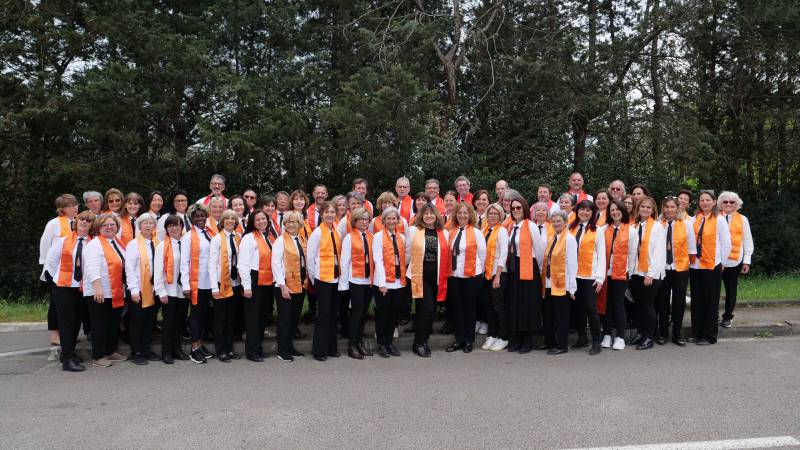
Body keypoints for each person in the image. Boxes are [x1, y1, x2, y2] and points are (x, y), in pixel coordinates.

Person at [43, 210, 95, 371]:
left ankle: (69, 353)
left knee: (76, 323)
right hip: (63, 287)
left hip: (82, 288)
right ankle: (67, 361)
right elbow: (50, 264)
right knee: (66, 323)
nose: (84, 222)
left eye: (88, 220)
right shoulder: (62, 241)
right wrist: (56, 285)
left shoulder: (94, 243)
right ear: (76, 221)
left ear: (92, 225)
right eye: (81, 219)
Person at [83, 214, 128, 367]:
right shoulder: (95, 244)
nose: (109, 227)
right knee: (100, 324)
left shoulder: (117, 242)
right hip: (99, 291)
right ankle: (98, 356)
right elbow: (91, 268)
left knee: (113, 323)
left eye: (112, 225)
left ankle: (111, 350)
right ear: (98, 228)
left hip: (114, 291)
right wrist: (97, 288)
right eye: (105, 225)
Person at [407, 203, 450, 357]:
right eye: (425, 213)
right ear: (421, 215)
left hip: (437, 277)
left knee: (427, 312)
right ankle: (419, 342)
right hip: (420, 276)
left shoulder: (443, 232)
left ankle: (423, 340)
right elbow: (406, 252)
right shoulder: (413, 231)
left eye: (432, 213)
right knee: (427, 309)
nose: (429, 216)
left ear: (436, 215)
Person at [689, 190, 731, 345]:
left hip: (712, 265)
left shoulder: (720, 220)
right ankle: (697, 332)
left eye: (708, 200)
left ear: (714, 202)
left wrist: (723, 263)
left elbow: (726, 244)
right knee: (697, 300)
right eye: (702, 200)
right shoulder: (695, 219)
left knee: (710, 301)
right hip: (695, 265)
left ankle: (709, 335)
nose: (704, 202)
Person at [504, 195, 544, 353]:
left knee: (527, 304)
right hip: (514, 267)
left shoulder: (531, 226)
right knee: (514, 303)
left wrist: (536, 268)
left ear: (525, 208)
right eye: (513, 208)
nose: (515, 210)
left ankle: (527, 340)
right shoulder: (511, 227)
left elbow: (539, 251)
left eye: (518, 208)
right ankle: (516, 338)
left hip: (528, 266)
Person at [445, 203, 486, 353]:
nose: (462, 216)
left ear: (470, 215)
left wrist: (477, 272)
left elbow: (483, 255)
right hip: (454, 275)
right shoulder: (451, 232)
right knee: (457, 309)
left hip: (471, 276)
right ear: (455, 215)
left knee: (469, 309)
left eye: (465, 213)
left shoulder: (476, 232)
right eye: (460, 213)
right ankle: (459, 339)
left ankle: (469, 340)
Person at [39, 193, 80, 346]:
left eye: (75, 204)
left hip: (73, 272)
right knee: (56, 303)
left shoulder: (78, 222)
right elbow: (45, 246)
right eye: (70, 206)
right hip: (55, 270)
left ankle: (68, 334)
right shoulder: (54, 224)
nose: (75, 207)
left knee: (70, 306)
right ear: (62, 209)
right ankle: (55, 335)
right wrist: (47, 268)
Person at [656, 197, 696, 346]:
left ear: (678, 208)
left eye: (672, 207)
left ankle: (677, 334)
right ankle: (663, 333)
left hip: (681, 268)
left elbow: (692, 247)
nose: (669, 210)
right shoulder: (659, 225)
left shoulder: (686, 224)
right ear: (663, 209)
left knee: (679, 301)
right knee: (663, 301)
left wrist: (689, 266)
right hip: (664, 268)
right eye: (666, 207)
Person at [568, 200, 606, 355]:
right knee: (578, 309)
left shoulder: (597, 230)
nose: (584, 212)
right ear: (577, 211)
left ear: (592, 213)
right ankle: (582, 337)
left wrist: (600, 278)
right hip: (573, 274)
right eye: (582, 209)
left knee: (591, 308)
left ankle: (596, 341)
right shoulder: (570, 228)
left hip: (589, 275)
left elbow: (602, 255)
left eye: (588, 210)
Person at [627, 196, 667, 350]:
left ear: (653, 210)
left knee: (648, 305)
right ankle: (640, 333)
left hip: (651, 273)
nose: (644, 209)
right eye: (642, 206)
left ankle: (649, 337)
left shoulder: (657, 227)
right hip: (636, 272)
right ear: (638, 209)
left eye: (648, 207)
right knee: (638, 305)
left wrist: (650, 273)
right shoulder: (634, 226)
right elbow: (631, 250)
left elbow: (659, 253)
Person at [307, 201, 343, 361]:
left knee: (333, 315)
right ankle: (319, 350)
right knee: (324, 315)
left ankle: (331, 347)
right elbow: (310, 258)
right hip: (322, 279)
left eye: (333, 212)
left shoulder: (335, 231)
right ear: (322, 214)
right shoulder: (317, 233)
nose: (330, 215)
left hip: (335, 279)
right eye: (327, 212)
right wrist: (315, 279)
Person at [271, 211, 308, 362]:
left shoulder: (302, 239)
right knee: (285, 319)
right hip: (284, 286)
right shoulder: (280, 241)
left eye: (295, 222)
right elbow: (276, 264)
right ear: (284, 224)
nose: (291, 225)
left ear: (300, 224)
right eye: (288, 222)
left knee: (294, 318)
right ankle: (283, 350)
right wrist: (282, 285)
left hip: (300, 284)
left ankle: (290, 346)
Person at [600, 200, 638, 351]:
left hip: (621, 273)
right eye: (612, 210)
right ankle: (607, 334)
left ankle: (620, 336)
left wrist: (629, 273)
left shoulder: (631, 231)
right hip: (604, 273)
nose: (615, 212)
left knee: (618, 304)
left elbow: (633, 254)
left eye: (617, 210)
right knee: (606, 304)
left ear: (623, 211)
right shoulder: (603, 229)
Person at [238, 210, 275, 362]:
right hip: (254, 280)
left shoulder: (268, 236)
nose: (261, 222)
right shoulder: (248, 238)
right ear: (252, 222)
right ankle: (252, 351)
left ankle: (258, 348)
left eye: (264, 219)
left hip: (267, 281)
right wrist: (247, 287)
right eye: (258, 219)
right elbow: (243, 264)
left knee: (262, 317)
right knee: (253, 318)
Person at [338, 207, 374, 359]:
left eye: (366, 219)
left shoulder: (371, 236)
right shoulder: (349, 238)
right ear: (355, 221)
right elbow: (344, 262)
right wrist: (344, 285)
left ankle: (359, 342)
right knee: (356, 313)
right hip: (355, 280)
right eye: (361, 219)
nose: (364, 222)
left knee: (363, 313)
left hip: (369, 280)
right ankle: (352, 345)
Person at [180, 204, 215, 364]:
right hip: (197, 282)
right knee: (196, 315)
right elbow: (185, 262)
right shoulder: (188, 237)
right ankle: (194, 347)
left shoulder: (210, 233)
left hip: (210, 282)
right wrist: (186, 285)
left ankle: (200, 344)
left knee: (205, 315)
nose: (200, 218)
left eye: (203, 215)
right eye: (197, 216)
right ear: (191, 218)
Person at [540, 210, 578, 355]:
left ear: (565, 222)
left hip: (562, 284)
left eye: (559, 221)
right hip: (549, 283)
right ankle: (549, 341)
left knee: (561, 316)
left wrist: (571, 288)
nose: (556, 224)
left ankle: (562, 345)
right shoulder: (552, 238)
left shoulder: (569, 239)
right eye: (554, 221)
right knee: (548, 314)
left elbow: (572, 264)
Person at [125, 213, 160, 365]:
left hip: (154, 289)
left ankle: (146, 349)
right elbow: (129, 268)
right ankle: (136, 351)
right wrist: (133, 289)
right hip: (138, 289)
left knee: (149, 322)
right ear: (139, 226)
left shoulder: (158, 242)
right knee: (137, 322)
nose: (147, 225)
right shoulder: (133, 244)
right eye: (144, 223)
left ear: (154, 226)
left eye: (150, 223)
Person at [154, 214, 190, 364]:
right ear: (167, 229)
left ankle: (177, 349)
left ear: (182, 227)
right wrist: (161, 291)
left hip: (183, 290)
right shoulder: (163, 245)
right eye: (171, 226)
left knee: (179, 322)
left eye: (177, 225)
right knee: (168, 323)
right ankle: (166, 352)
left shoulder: (186, 243)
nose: (174, 228)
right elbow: (158, 270)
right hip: (169, 290)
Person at [372, 206, 407, 357]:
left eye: (394, 218)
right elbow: (378, 260)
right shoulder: (378, 237)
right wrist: (382, 283)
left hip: (398, 282)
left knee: (393, 314)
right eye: (389, 218)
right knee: (383, 314)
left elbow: (404, 258)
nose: (392, 221)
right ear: (383, 220)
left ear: (398, 221)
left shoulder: (402, 237)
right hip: (384, 282)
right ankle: (381, 343)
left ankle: (389, 342)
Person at [208, 210, 242, 363]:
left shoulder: (238, 238)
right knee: (220, 319)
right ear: (222, 222)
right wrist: (214, 287)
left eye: (233, 218)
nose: (230, 221)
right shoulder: (216, 239)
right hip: (221, 284)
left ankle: (229, 348)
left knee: (231, 319)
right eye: (227, 218)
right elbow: (212, 264)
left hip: (235, 283)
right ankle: (221, 350)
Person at [718, 191, 754, 329]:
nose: (728, 204)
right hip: (715, 261)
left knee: (731, 290)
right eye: (725, 202)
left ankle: (728, 316)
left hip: (734, 261)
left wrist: (747, 260)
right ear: (720, 204)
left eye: (731, 202)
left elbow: (747, 241)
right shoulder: (714, 217)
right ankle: (713, 314)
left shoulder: (743, 219)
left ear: (736, 204)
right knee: (713, 290)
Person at [479, 203, 509, 351]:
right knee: (488, 306)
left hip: (498, 273)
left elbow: (503, 253)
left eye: (495, 214)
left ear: (500, 216)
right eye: (490, 213)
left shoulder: (502, 231)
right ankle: (493, 334)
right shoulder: (484, 230)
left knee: (498, 306)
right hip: (486, 273)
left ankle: (503, 336)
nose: (492, 216)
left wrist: (497, 276)